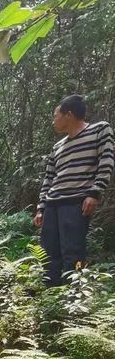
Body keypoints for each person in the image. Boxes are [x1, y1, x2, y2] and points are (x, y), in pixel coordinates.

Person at [34, 95, 114, 286]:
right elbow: (49, 178)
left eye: (55, 116)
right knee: (48, 251)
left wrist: (94, 192)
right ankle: (50, 293)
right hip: (52, 203)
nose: (53, 121)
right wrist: (41, 207)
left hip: (76, 201)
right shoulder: (57, 147)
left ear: (68, 115)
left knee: (73, 250)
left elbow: (106, 161)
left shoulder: (99, 129)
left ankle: (74, 294)